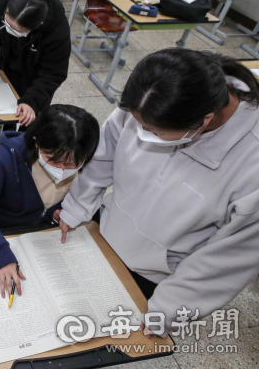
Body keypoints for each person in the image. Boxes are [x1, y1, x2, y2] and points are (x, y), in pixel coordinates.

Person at [56, 49, 259, 336]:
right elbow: (104, 152)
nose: (140, 131)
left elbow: (227, 259)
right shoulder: (153, 98)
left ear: (204, 121)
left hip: (155, 276)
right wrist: (77, 206)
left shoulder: (252, 166)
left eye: (152, 130)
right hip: (103, 235)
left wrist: (167, 311)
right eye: (138, 123)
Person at [0, 105, 99, 298]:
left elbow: (68, 195)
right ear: (36, 140)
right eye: (54, 161)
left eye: (72, 164)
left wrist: (57, 210)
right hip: (2, 236)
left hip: (42, 240)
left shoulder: (85, 161)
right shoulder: (3, 160)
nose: (63, 170)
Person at [0, 0, 70, 150]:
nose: (8, 29)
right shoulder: (1, 6)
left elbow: (53, 73)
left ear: (39, 25)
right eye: (7, 21)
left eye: (17, 29)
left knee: (29, 120)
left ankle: (21, 150)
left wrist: (32, 101)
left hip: (37, 79)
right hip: (8, 66)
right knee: (5, 112)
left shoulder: (57, 30)